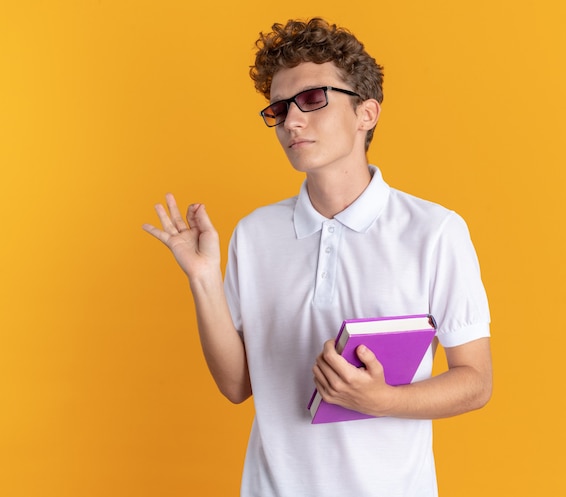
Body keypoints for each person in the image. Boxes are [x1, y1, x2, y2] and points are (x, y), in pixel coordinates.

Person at [143, 17, 492, 497]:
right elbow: (238, 385)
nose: (291, 121)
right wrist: (203, 279)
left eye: (312, 100)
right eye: (279, 108)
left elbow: (475, 381)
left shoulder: (435, 232)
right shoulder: (254, 234)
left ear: (366, 113)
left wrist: (383, 400)